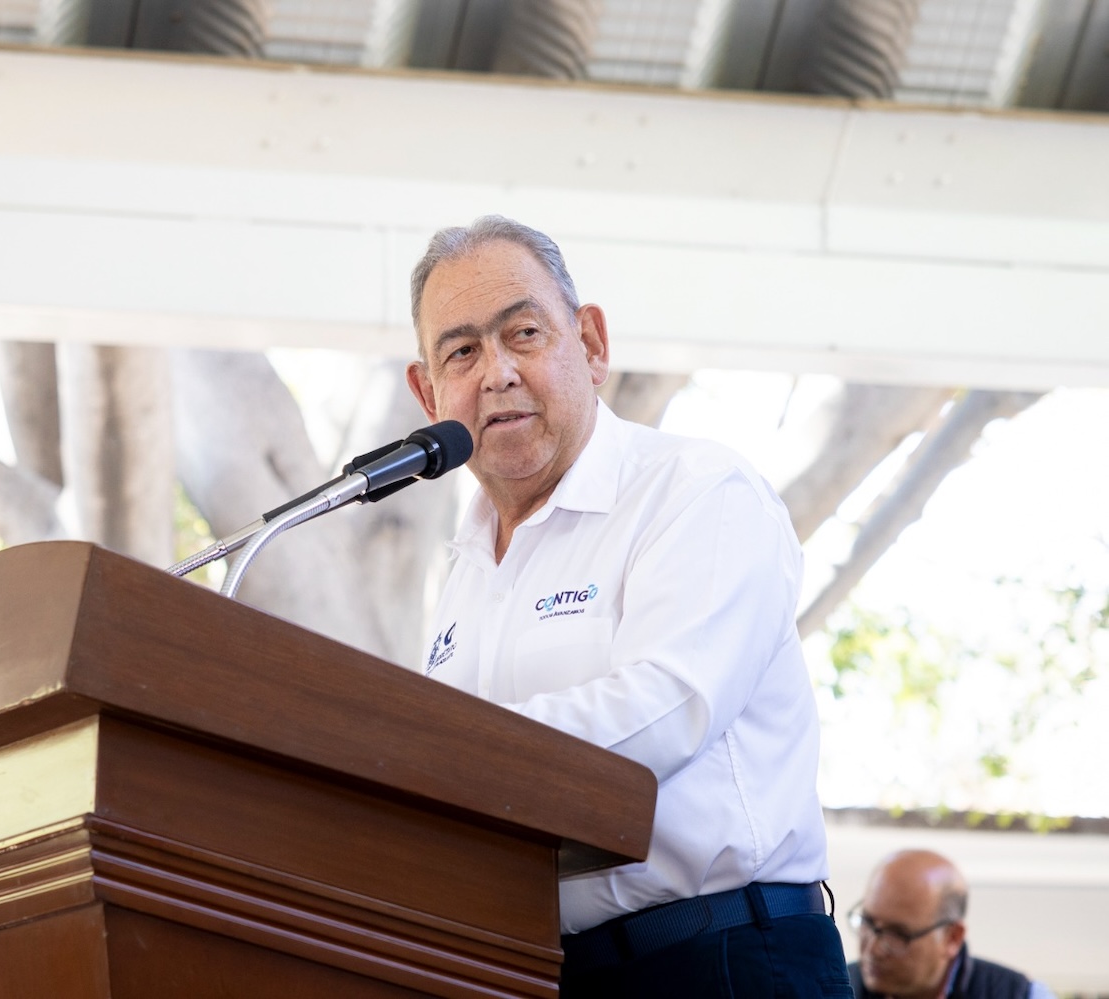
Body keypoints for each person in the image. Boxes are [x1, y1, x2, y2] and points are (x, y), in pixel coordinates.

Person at [404, 215, 850, 997]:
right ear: (427, 391)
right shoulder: (466, 568)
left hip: (721, 958)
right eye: (462, 352)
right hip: (540, 970)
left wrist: (433, 755)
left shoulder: (695, 491)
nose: (497, 372)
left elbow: (666, 710)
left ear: (591, 343)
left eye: (524, 334)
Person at [848, 849, 1056, 999]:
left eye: (898, 934)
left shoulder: (1020, 994)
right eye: (867, 922)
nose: (873, 949)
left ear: (952, 937)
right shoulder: (835, 989)